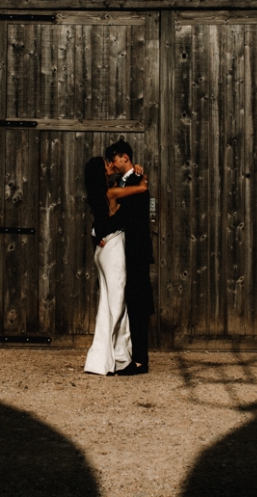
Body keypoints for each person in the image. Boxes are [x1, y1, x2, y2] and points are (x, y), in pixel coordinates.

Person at [82, 155, 148, 376]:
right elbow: (142, 188)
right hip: (112, 248)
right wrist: (140, 174)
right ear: (100, 174)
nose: (110, 165)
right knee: (117, 303)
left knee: (107, 306)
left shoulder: (99, 194)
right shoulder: (111, 192)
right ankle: (120, 358)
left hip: (103, 249)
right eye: (106, 166)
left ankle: (104, 358)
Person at [105, 139, 154, 375]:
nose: (112, 164)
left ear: (125, 156)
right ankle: (125, 355)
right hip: (122, 249)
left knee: (137, 302)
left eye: (114, 159)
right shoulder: (124, 181)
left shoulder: (138, 180)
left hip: (135, 249)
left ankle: (140, 361)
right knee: (124, 302)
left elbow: (130, 215)